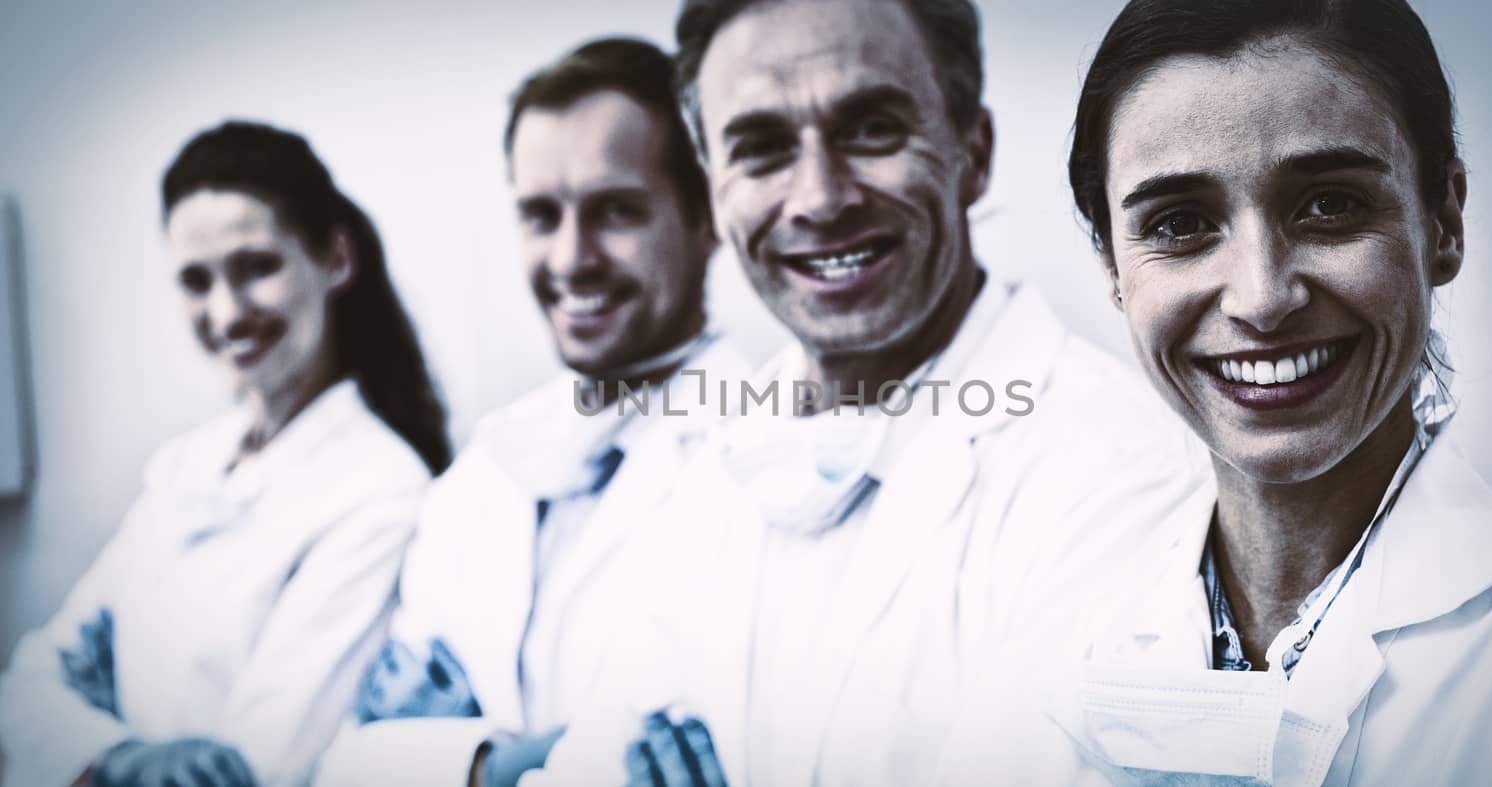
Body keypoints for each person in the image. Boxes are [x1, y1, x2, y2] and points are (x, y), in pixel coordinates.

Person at [519, 1, 1208, 784]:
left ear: (972, 152)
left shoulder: (1126, 473)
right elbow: (590, 758)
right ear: (715, 190)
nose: (819, 197)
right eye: (761, 148)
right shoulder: (700, 451)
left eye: (871, 128)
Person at [932, 0, 1492, 784]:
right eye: (1180, 222)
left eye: (1330, 205)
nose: (1261, 296)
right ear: (1113, 267)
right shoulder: (1051, 621)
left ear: (1443, 219)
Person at [312, 38, 748, 787]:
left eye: (617, 211)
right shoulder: (483, 473)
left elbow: (745, 755)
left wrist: (450, 759)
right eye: (541, 215)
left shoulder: (769, 459)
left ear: (707, 216)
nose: (572, 258)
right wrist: (522, 758)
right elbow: (348, 765)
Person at [0, 121, 449, 787]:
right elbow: (29, 684)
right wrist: (123, 757)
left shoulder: (382, 489)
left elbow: (259, 766)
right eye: (195, 280)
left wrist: (91, 750)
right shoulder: (186, 465)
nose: (227, 311)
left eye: (257, 267)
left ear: (335, 259)